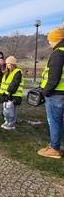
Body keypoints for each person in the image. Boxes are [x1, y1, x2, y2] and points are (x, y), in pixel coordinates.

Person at [38, 28, 64, 159]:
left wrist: (45, 92)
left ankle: (54, 149)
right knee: (58, 121)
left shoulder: (58, 53)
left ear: (56, 40)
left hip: (56, 93)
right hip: (60, 92)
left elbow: (54, 78)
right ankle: (54, 144)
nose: (50, 43)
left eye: (50, 40)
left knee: (54, 121)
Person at [0, 56, 24, 130]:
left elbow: (15, 83)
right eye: (7, 63)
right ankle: (7, 121)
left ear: (13, 64)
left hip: (14, 94)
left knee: (13, 110)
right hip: (5, 94)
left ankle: (11, 123)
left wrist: (10, 91)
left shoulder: (17, 72)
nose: (8, 65)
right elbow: (0, 80)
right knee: (6, 109)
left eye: (9, 63)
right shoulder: (7, 72)